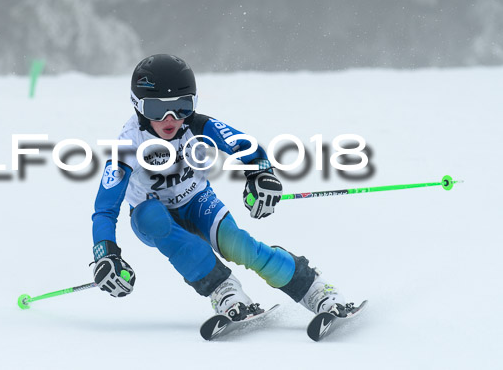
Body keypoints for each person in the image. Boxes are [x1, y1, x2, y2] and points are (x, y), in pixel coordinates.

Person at [91, 54, 353, 321]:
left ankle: (314, 288)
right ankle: (223, 290)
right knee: (152, 218)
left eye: (182, 106)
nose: (171, 119)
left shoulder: (198, 125)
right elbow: (105, 209)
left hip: (196, 201)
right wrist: (106, 253)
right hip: (152, 216)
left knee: (239, 246)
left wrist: (261, 175)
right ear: (138, 107)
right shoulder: (128, 145)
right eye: (157, 110)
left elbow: (249, 149)